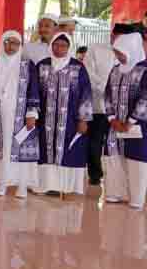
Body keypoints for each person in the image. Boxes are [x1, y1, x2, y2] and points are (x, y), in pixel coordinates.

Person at [36, 33, 92, 197]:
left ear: (69, 48)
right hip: (45, 120)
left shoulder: (78, 67)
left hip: (70, 120)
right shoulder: (42, 65)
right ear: (51, 45)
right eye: (56, 45)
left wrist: (83, 119)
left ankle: (66, 187)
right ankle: (45, 185)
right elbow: (34, 91)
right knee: (45, 151)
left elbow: (86, 94)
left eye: (63, 46)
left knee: (69, 151)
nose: (59, 48)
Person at [0, 31, 40, 199]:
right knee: (2, 148)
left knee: (20, 148)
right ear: (2, 43)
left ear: (20, 45)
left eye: (15, 43)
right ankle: (2, 182)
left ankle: (22, 185)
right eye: (7, 42)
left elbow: (33, 89)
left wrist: (31, 113)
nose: (11, 46)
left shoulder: (27, 64)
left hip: (20, 113)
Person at [102, 32, 147, 206]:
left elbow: (145, 98)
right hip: (115, 125)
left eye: (121, 53)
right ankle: (115, 193)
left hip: (137, 125)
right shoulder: (115, 70)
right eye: (116, 53)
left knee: (137, 161)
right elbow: (107, 95)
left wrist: (130, 121)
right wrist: (112, 118)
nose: (118, 56)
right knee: (113, 158)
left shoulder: (144, 69)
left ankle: (136, 198)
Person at [84, 39, 118, 187]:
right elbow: (89, 73)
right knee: (95, 143)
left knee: (116, 144)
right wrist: (107, 89)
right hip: (98, 106)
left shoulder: (135, 52)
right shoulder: (96, 49)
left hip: (119, 110)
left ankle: (115, 177)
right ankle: (95, 175)